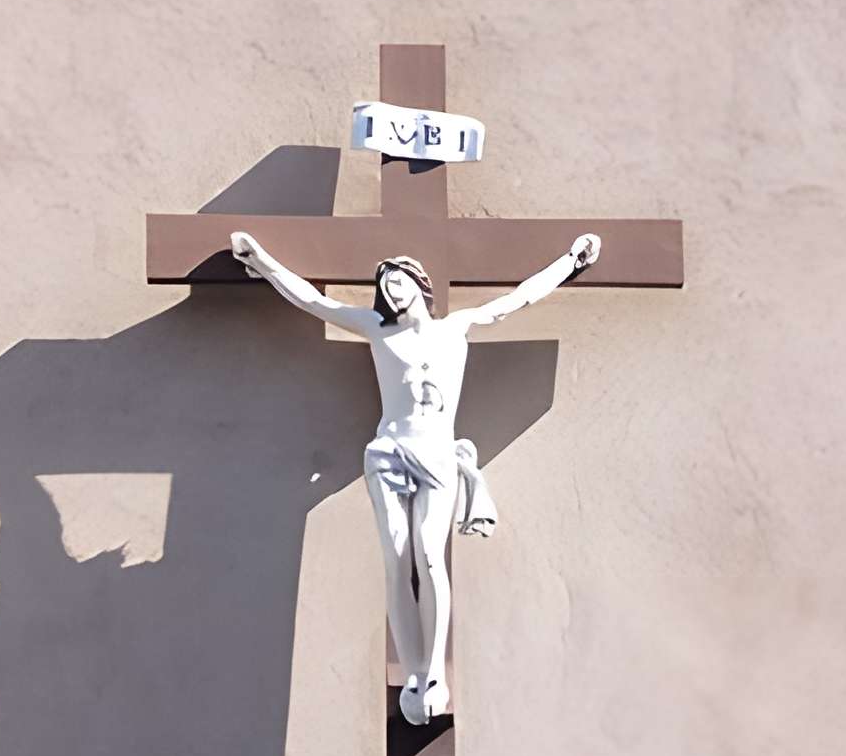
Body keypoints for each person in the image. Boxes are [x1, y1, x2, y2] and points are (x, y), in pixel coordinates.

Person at [229, 228, 601, 723]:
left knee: (429, 552)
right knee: (397, 558)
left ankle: (435, 674)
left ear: (418, 283)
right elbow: (315, 301)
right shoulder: (378, 330)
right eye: (384, 286)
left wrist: (570, 261)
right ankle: (411, 669)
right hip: (387, 452)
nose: (390, 291)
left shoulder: (457, 327)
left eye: (398, 281)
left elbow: (517, 299)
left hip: (437, 453)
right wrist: (264, 261)